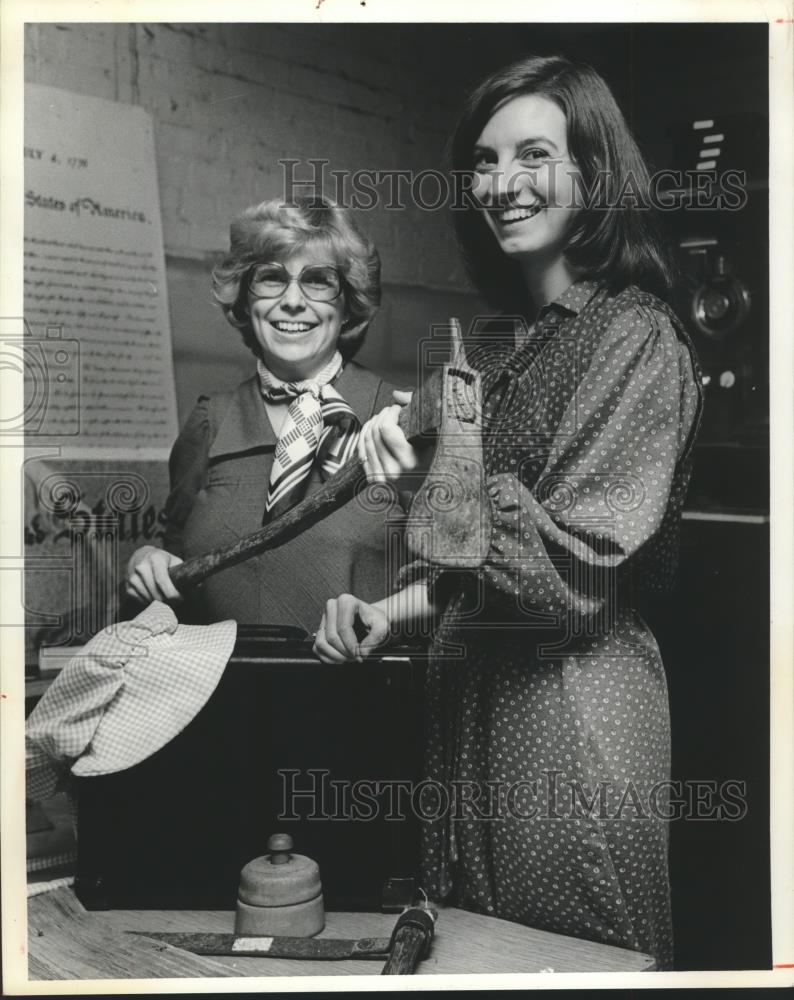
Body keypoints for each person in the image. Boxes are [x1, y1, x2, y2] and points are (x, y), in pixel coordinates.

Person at [312, 56, 702, 970]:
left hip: (571, 716)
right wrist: (390, 612)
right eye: (485, 162)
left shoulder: (636, 334)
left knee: (569, 963)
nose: (501, 184)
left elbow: (574, 575)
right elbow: (470, 567)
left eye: (534, 154)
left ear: (594, 173)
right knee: (472, 955)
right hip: (473, 712)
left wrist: (423, 477)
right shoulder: (502, 349)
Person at [124, 197, 399, 630]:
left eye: (319, 281)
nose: (293, 301)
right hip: (224, 690)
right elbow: (174, 565)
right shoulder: (209, 422)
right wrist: (148, 565)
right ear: (245, 301)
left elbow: (456, 580)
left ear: (348, 304)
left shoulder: (400, 419)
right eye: (271, 278)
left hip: (363, 691)